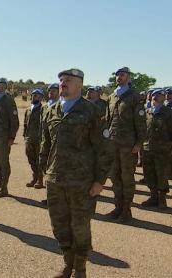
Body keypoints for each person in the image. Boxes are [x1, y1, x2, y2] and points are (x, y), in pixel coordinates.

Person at [40, 69, 110, 278]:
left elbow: (104, 148)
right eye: (61, 80)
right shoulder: (51, 110)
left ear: (80, 85)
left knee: (80, 226)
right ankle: (67, 265)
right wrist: (45, 171)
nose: (63, 83)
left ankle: (80, 269)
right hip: (55, 179)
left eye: (68, 80)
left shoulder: (92, 111)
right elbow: (46, 144)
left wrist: (99, 180)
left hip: (81, 181)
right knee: (59, 226)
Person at [105, 67, 147, 222]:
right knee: (114, 176)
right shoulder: (112, 96)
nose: (119, 77)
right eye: (117, 75)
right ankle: (118, 207)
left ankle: (126, 211)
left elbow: (141, 122)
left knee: (127, 177)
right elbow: (108, 121)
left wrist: (139, 143)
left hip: (128, 145)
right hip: (112, 144)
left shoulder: (134, 96)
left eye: (122, 75)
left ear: (129, 77)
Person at [141, 88, 171, 210]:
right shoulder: (147, 111)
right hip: (147, 148)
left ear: (164, 97)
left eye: (159, 95)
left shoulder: (168, 112)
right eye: (154, 94)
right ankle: (153, 197)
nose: (155, 96)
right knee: (149, 173)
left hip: (163, 149)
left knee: (162, 174)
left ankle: (162, 199)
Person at [0, 78, 19, 198]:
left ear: (3, 86)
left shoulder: (8, 100)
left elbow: (14, 120)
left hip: (3, 137)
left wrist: (12, 137)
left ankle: (4, 187)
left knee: (3, 162)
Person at [24, 89, 44, 189]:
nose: (34, 97)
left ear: (41, 98)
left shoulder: (43, 109)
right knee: (31, 159)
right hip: (29, 138)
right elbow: (25, 124)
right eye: (33, 95)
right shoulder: (28, 109)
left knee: (39, 160)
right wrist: (25, 136)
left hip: (39, 139)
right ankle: (35, 177)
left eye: (37, 95)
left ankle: (40, 180)